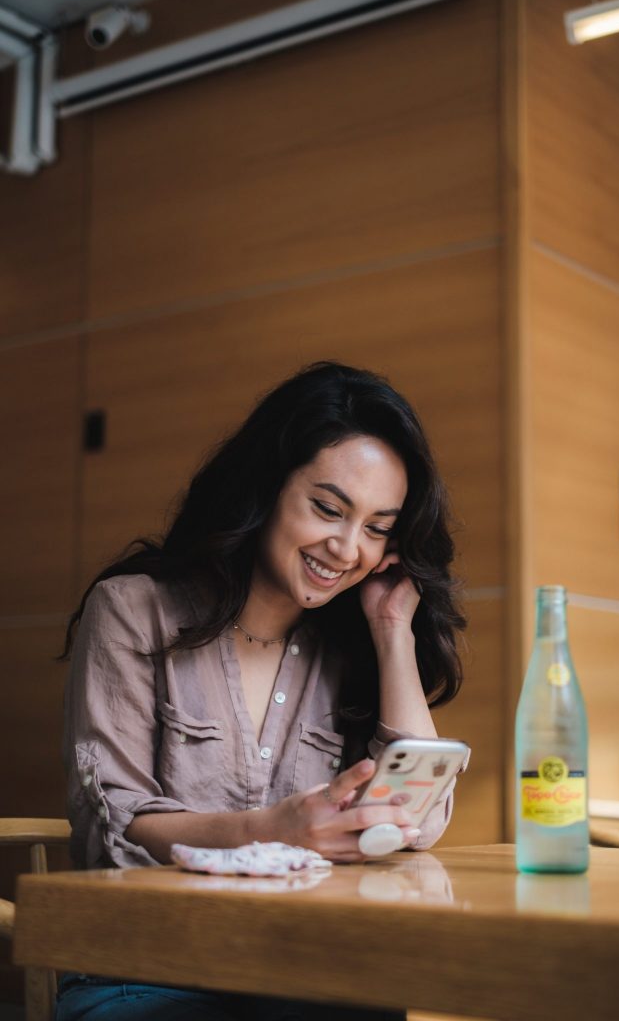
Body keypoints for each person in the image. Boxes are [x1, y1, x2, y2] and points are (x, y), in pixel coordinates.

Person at [56, 361, 466, 1021]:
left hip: (301, 969)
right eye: (328, 509)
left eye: (377, 527)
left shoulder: (350, 648)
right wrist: (270, 831)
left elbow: (415, 820)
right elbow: (112, 826)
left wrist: (391, 631)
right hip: (143, 966)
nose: (346, 547)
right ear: (268, 486)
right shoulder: (133, 611)